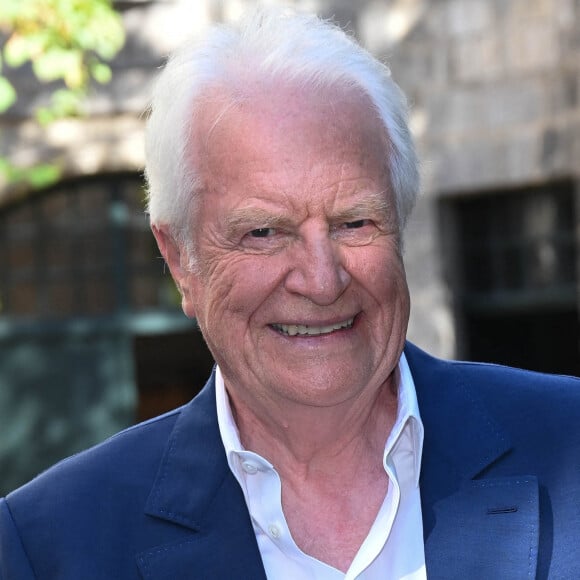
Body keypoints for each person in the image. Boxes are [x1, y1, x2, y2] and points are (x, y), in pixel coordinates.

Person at [1, 7, 579, 579]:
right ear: (180, 260)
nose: (321, 280)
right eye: (263, 233)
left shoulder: (568, 444)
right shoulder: (50, 547)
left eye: (355, 222)